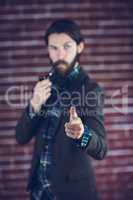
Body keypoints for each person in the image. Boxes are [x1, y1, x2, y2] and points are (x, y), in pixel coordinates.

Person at [15, 19, 107, 200]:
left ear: (79, 47)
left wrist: (83, 134)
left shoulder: (90, 90)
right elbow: (21, 137)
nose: (60, 55)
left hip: (71, 193)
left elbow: (101, 150)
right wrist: (34, 104)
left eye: (67, 46)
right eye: (53, 48)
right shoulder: (44, 85)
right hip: (38, 192)